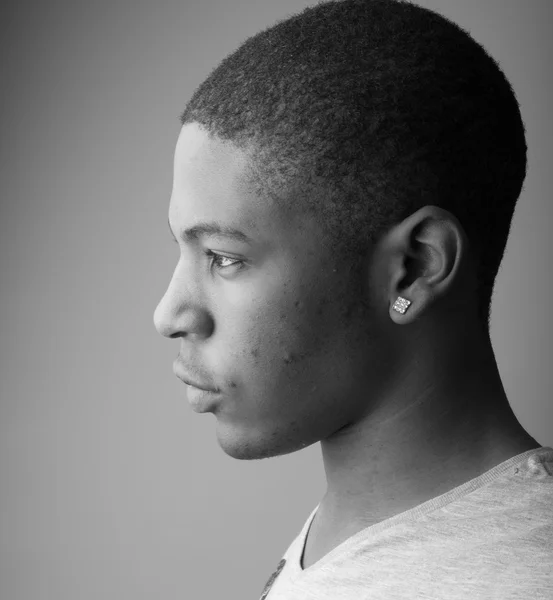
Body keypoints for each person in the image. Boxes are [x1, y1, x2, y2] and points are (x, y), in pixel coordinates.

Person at [153, 0, 553, 597]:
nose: (169, 314)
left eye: (225, 258)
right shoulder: (353, 545)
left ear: (414, 267)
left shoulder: (516, 580)